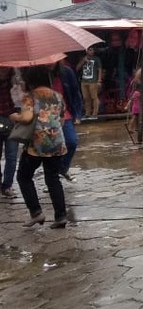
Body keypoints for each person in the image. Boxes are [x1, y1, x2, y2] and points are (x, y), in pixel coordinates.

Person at [14, 65, 68, 228]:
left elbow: (26, 118)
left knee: (23, 177)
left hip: (37, 145)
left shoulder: (30, 97)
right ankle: (61, 216)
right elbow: (62, 117)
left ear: (30, 81)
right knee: (53, 179)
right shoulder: (57, 96)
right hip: (57, 143)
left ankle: (36, 212)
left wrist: (14, 116)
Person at [49, 58, 82, 181]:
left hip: (65, 113)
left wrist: (77, 114)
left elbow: (75, 93)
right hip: (46, 116)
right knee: (52, 148)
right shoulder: (39, 74)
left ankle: (62, 169)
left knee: (71, 142)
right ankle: (53, 176)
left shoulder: (66, 72)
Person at [0, 67, 19, 198]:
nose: (4, 71)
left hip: (12, 120)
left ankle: (7, 185)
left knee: (12, 156)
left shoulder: (14, 82)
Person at [76, 46, 103, 120]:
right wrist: (83, 61)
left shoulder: (96, 59)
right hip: (84, 81)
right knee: (86, 98)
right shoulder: (83, 58)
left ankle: (94, 114)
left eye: (92, 50)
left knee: (94, 97)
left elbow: (99, 70)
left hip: (93, 81)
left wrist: (99, 80)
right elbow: (77, 68)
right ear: (86, 51)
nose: (90, 51)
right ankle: (87, 113)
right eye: (89, 50)